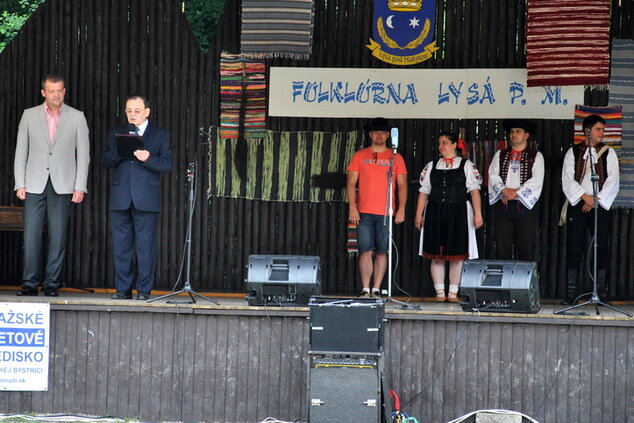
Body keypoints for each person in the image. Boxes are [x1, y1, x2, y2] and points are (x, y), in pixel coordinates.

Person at [13, 74, 90, 297]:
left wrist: (80, 186)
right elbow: (21, 151)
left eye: (60, 91)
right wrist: (20, 182)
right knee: (32, 235)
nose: (56, 95)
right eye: (51, 91)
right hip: (34, 183)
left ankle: (51, 284)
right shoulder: (29, 115)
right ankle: (29, 283)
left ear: (64, 91)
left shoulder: (77, 117)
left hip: (64, 184)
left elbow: (83, 155)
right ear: (43, 93)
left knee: (58, 235)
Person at [101, 95, 172, 300]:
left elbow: (167, 165)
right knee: (121, 247)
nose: (132, 114)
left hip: (146, 197)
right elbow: (105, 160)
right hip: (121, 196)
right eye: (129, 110)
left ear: (147, 112)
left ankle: (143, 290)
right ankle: (122, 290)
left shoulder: (160, 135)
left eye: (137, 111)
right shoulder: (116, 133)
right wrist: (122, 152)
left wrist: (148, 157)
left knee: (145, 247)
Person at [414, 132, 483, 303]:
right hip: (435, 211)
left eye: (445, 143)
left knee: (457, 254)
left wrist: (478, 213)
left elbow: (474, 191)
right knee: (436, 254)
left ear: (454, 145)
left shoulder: (466, 165)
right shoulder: (432, 165)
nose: (441, 146)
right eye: (439, 143)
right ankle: (439, 292)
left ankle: (453, 293)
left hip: (459, 210)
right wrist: (418, 214)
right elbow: (424, 191)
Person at [346, 117, 408, 299]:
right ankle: (365, 288)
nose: (379, 135)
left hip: (386, 211)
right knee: (365, 250)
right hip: (364, 211)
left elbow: (402, 184)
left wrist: (401, 208)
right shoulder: (360, 155)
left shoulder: (395, 157)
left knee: (382, 251)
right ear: (370, 134)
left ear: (388, 135)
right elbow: (350, 183)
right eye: (375, 132)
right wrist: (352, 207)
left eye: (382, 132)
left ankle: (377, 289)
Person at [561, 114, 619, 304]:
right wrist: (584, 197)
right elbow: (567, 179)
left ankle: (600, 292)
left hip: (600, 205)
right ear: (587, 131)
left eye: (603, 129)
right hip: (578, 205)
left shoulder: (609, 153)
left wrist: (595, 200)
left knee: (600, 246)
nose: (602, 133)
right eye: (598, 129)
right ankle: (571, 293)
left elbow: (612, 180)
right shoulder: (572, 152)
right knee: (575, 246)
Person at [488, 119, 544, 261]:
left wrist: (515, 193)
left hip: (524, 205)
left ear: (526, 135)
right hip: (504, 204)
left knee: (526, 245)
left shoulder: (536, 155)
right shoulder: (500, 154)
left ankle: (523, 282)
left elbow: (537, 179)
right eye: (512, 132)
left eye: (518, 131)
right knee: (502, 245)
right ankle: (504, 280)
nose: (514, 134)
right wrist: (504, 190)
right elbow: (493, 175)